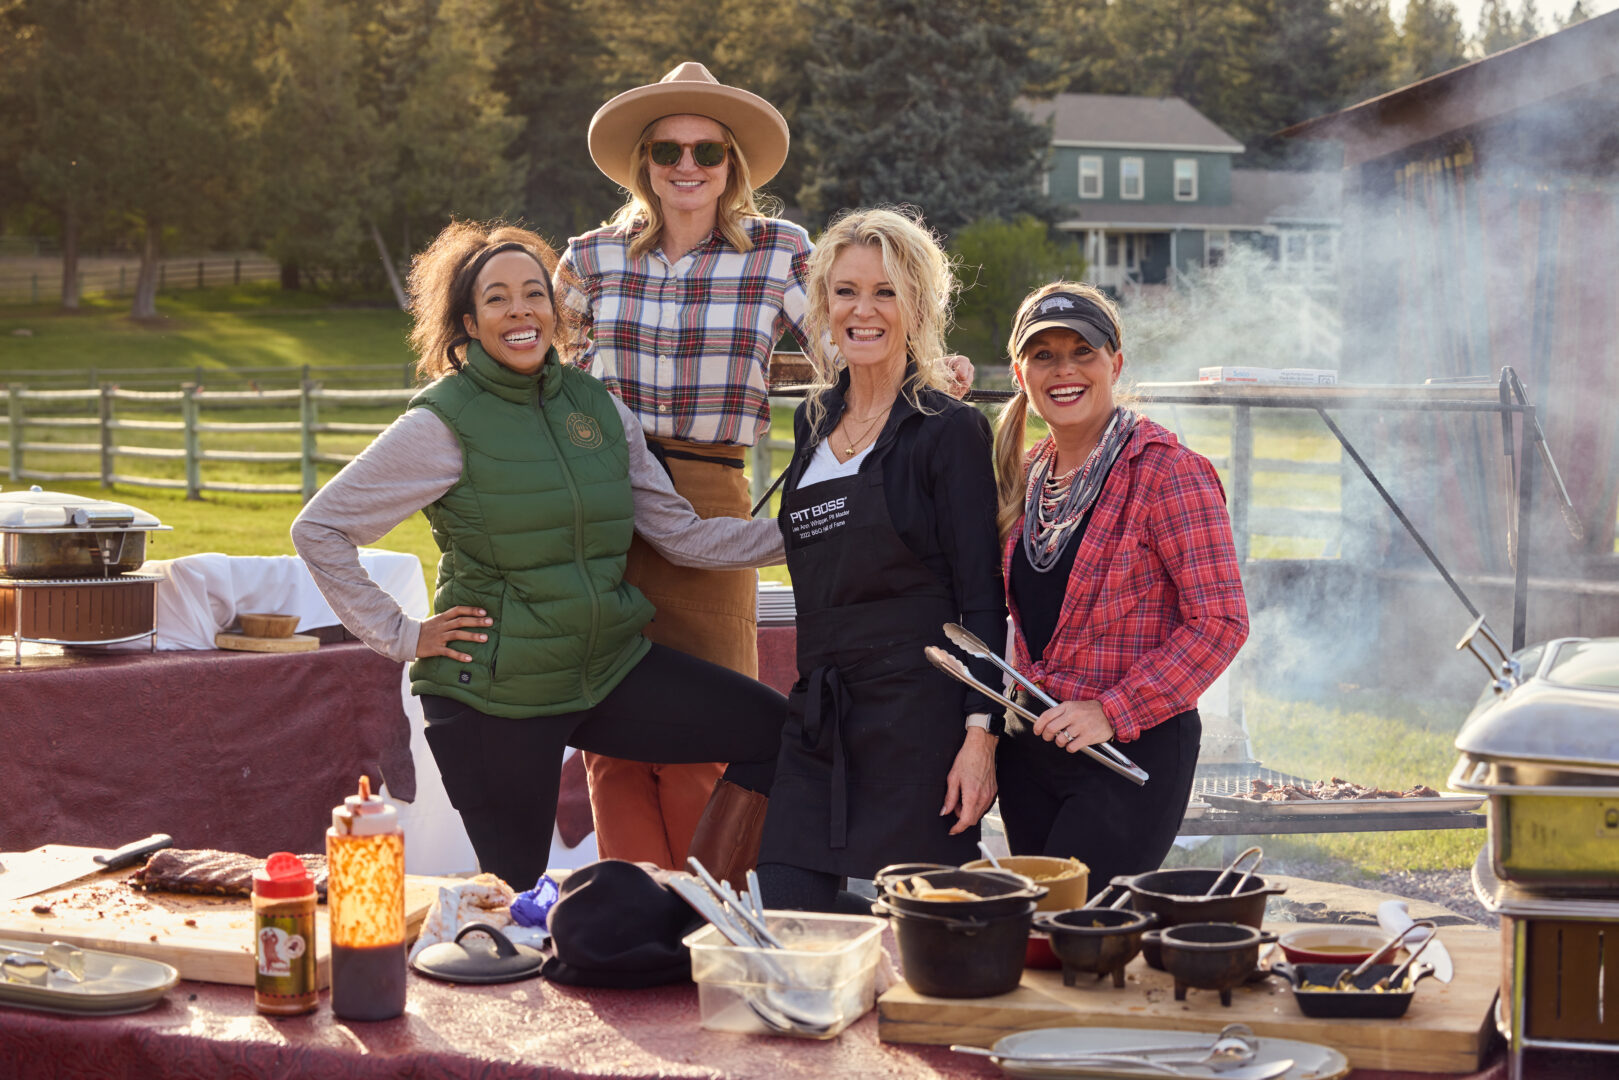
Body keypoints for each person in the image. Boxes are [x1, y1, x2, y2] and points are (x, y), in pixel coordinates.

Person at [291, 221, 788, 890]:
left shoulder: (598, 407)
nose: (520, 310)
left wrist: (811, 533)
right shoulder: (442, 423)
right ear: (467, 320)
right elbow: (320, 528)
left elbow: (681, 535)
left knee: (777, 733)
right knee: (513, 891)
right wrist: (402, 635)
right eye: (497, 298)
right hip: (497, 694)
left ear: (556, 312)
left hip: (603, 668)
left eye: (534, 293)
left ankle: (710, 908)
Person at [554, 62, 812, 870]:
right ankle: (627, 905)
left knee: (710, 722)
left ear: (731, 164)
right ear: (645, 164)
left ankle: (705, 919)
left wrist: (923, 373)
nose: (687, 166)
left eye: (707, 150)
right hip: (596, 499)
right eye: (668, 149)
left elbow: (849, 348)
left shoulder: (780, 252)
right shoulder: (588, 259)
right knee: (608, 730)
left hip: (708, 491)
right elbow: (524, 366)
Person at [754, 208, 1006, 913]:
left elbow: (981, 598)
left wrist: (979, 739)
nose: (862, 311)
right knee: (788, 917)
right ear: (823, 304)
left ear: (918, 307)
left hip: (919, 721)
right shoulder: (811, 421)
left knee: (914, 946)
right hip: (821, 713)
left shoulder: (947, 429)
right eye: (845, 291)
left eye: (885, 292)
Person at [990, 281, 1249, 897]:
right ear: (1020, 371)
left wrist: (1112, 710)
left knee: (1080, 926)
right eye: (1044, 355)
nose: (1064, 370)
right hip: (1033, 747)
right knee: (1042, 935)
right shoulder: (1022, 475)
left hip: (1130, 752)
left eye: (1083, 351)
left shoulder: (1168, 472)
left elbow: (1220, 622)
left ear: (1116, 363)